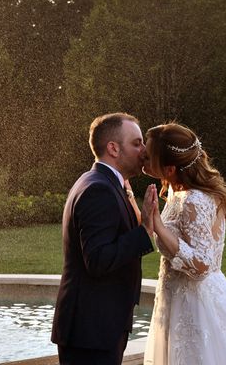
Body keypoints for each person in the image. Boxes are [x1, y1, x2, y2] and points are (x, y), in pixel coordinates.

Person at [142, 122, 226, 365]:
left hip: (195, 304)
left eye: (148, 156)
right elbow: (177, 237)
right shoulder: (176, 191)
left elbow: (202, 265)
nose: (142, 157)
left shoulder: (195, 201)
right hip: (175, 296)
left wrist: (158, 225)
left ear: (169, 169)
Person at [51, 112, 158, 365]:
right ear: (113, 148)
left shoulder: (103, 183)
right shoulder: (99, 190)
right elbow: (98, 259)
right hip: (91, 331)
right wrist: (144, 233)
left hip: (98, 328)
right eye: (136, 143)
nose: (144, 150)